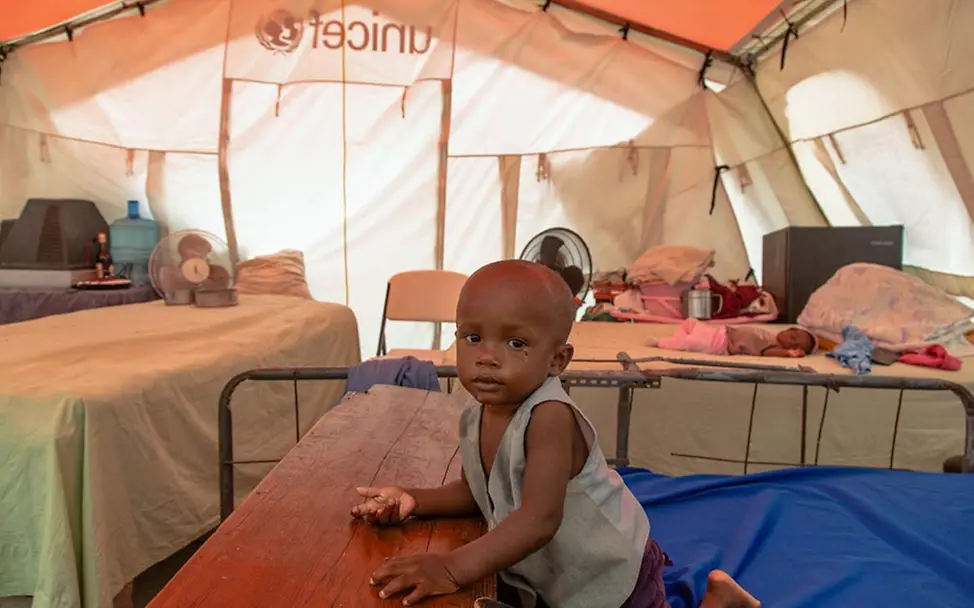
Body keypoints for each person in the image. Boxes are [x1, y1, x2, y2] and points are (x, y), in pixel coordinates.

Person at [351, 260, 761, 608]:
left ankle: (723, 601)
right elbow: (477, 491)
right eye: (473, 337)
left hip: (609, 569)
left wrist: (451, 567)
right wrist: (413, 499)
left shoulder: (549, 417)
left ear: (558, 359)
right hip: (557, 572)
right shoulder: (476, 413)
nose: (487, 357)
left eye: (516, 343)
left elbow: (538, 521)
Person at [647, 318, 817, 358]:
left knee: (691, 343)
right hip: (721, 333)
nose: (791, 340)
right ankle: (677, 339)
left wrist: (788, 354)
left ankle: (661, 343)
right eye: (793, 335)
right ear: (788, 329)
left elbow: (768, 354)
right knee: (691, 322)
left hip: (721, 345)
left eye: (794, 344)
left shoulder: (773, 347)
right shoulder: (772, 335)